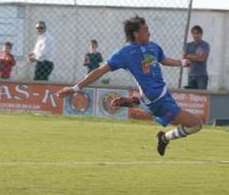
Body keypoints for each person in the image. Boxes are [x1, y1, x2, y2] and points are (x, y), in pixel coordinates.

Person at [57, 15, 202, 156]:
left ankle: (139, 104)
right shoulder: (125, 53)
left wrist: (182, 63)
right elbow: (100, 70)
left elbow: (163, 60)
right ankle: (162, 135)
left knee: (180, 122)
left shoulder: (153, 47)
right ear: (136, 33)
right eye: (145, 29)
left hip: (163, 94)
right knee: (196, 124)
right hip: (158, 101)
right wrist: (76, 88)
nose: (149, 32)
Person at [183, 25, 210, 89]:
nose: (195, 36)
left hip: (202, 75)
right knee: (192, 96)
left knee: (201, 96)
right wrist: (197, 57)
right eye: (194, 34)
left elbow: (202, 59)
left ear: (201, 34)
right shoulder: (188, 45)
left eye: (197, 33)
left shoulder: (205, 45)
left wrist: (189, 56)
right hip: (191, 75)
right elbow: (184, 59)